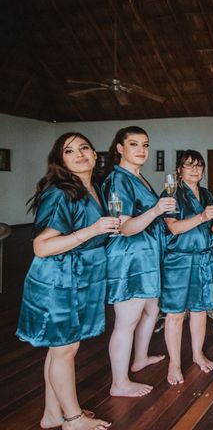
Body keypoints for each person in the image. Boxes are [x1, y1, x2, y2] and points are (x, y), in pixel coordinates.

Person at [17, 132, 118, 429]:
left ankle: (52, 415)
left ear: (95, 154)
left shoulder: (95, 188)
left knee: (60, 348)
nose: (79, 154)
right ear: (61, 161)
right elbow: (41, 246)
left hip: (83, 273)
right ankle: (73, 420)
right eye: (69, 151)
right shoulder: (60, 192)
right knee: (64, 349)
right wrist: (94, 230)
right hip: (59, 276)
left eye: (84, 147)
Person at [101, 126, 175, 397]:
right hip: (129, 257)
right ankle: (119, 383)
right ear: (120, 148)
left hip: (147, 254)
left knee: (151, 310)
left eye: (145, 144)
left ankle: (140, 357)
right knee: (127, 320)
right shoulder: (117, 179)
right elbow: (125, 228)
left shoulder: (138, 176)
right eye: (134, 144)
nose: (142, 150)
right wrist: (157, 210)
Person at [162, 150, 213, 385]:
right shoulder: (172, 193)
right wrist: (203, 216)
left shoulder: (208, 194)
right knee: (175, 313)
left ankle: (197, 354)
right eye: (189, 165)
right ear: (179, 170)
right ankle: (174, 363)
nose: (195, 170)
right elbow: (173, 228)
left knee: (199, 310)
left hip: (204, 258)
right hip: (179, 260)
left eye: (199, 166)